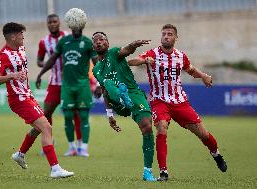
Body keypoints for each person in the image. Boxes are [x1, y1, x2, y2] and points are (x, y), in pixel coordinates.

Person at [128, 24, 227, 181]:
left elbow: (191, 70)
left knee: (203, 133)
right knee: (161, 128)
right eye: (164, 34)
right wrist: (143, 61)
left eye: (169, 34)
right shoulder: (152, 53)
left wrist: (203, 76)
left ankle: (216, 154)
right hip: (159, 101)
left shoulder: (181, 56)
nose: (166, 36)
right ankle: (163, 172)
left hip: (180, 102)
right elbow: (132, 61)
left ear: (175, 38)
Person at [0, 22, 74, 178]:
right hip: (18, 99)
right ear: (13, 36)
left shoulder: (21, 48)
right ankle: (55, 168)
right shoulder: (3, 55)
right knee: (47, 128)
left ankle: (20, 154)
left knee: (38, 128)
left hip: (27, 95)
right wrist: (12, 76)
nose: (23, 36)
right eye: (21, 34)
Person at [92, 31, 157, 182]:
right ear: (93, 46)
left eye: (102, 39)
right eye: (96, 41)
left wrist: (134, 44)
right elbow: (105, 93)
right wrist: (110, 116)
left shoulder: (114, 53)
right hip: (117, 103)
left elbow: (126, 50)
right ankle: (122, 98)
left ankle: (147, 172)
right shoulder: (96, 69)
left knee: (147, 127)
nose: (99, 42)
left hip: (134, 94)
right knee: (108, 84)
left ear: (107, 43)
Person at [36, 8, 97, 157]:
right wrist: (41, 71)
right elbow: (47, 59)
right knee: (56, 114)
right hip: (60, 84)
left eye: (55, 21)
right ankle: (60, 144)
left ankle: (82, 146)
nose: (52, 24)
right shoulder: (52, 41)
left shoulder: (79, 40)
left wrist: (99, 82)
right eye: (49, 22)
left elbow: (94, 62)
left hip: (77, 83)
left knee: (79, 115)